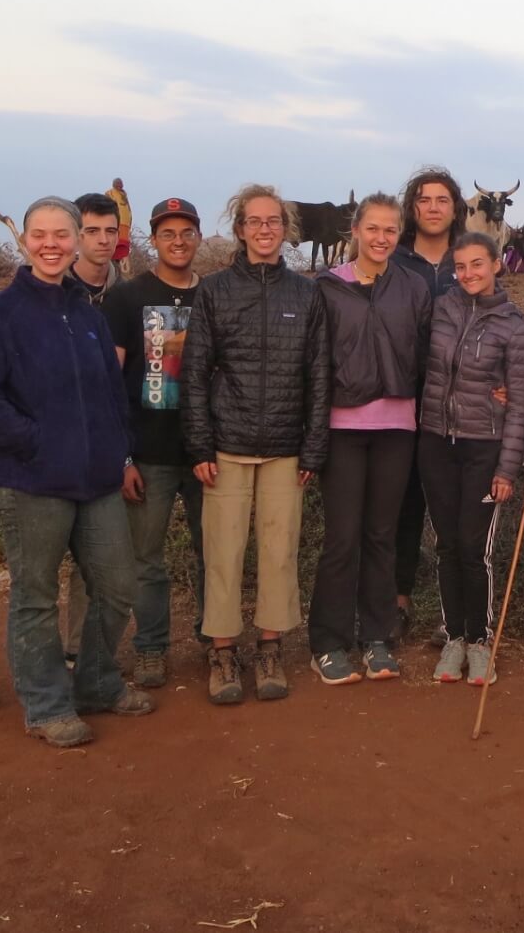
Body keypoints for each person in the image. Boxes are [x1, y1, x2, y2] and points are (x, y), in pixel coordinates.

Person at [0, 197, 153, 748]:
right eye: (39, 234)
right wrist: (38, 443)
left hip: (97, 481)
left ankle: (95, 681)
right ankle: (46, 705)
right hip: (31, 480)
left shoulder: (88, 314)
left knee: (117, 586)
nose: (51, 244)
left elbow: (111, 396)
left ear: (75, 241)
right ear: (23, 240)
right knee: (36, 596)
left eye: (61, 234)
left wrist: (120, 453)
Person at [181, 185, 330, 703]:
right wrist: (200, 446)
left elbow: (318, 377)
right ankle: (222, 653)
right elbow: (195, 374)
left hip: (286, 449)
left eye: (274, 222)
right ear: (240, 228)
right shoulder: (215, 290)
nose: (265, 230)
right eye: (254, 222)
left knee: (280, 551)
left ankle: (269, 648)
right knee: (223, 553)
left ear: (286, 229)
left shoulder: (307, 294)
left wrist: (314, 448)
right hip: (226, 444)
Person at [311, 194, 432, 684]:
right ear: (355, 230)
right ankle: (329, 641)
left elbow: (427, 353)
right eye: (373, 229)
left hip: (397, 425)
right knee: (343, 537)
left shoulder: (414, 287)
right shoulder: (327, 287)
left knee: (382, 535)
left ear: (398, 234)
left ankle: (378, 638)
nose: (381, 238)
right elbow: (315, 361)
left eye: (390, 230)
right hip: (343, 426)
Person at [96, 197, 209, 690]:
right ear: (153, 239)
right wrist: (122, 457)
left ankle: (216, 642)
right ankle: (151, 649)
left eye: (187, 232)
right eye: (168, 233)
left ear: (199, 238)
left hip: (208, 453)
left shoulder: (217, 295)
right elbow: (108, 382)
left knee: (216, 555)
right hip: (148, 451)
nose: (178, 241)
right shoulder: (126, 298)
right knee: (146, 560)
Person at [418, 232, 524, 686]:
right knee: (445, 545)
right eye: (461, 266)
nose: (468, 274)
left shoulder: (513, 324)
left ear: (497, 264)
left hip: (484, 445)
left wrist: (508, 467)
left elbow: (518, 400)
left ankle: (481, 642)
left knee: (473, 547)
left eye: (477, 264)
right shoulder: (440, 309)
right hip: (435, 441)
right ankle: (454, 637)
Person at [390, 167, 467, 644]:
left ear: (455, 207)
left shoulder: (469, 260)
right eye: (424, 199)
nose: (434, 207)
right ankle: (395, 604)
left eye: (442, 199)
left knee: (452, 510)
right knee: (401, 506)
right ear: (412, 208)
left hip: (458, 406)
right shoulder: (395, 261)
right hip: (399, 399)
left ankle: (453, 612)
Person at [61, 192, 127, 662]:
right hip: (57, 440)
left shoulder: (127, 292)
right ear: (75, 235)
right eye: (92, 231)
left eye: (111, 230)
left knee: (99, 559)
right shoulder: (51, 288)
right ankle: (51, 664)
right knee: (45, 567)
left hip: (110, 441)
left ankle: (85, 657)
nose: (103, 240)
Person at [106, 177, 133, 266]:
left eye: (121, 183)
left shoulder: (124, 195)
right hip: (115, 223)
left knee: (123, 245)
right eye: (118, 183)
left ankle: (119, 261)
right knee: (115, 243)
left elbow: (128, 209)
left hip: (125, 223)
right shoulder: (110, 193)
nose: (120, 185)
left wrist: (130, 219)